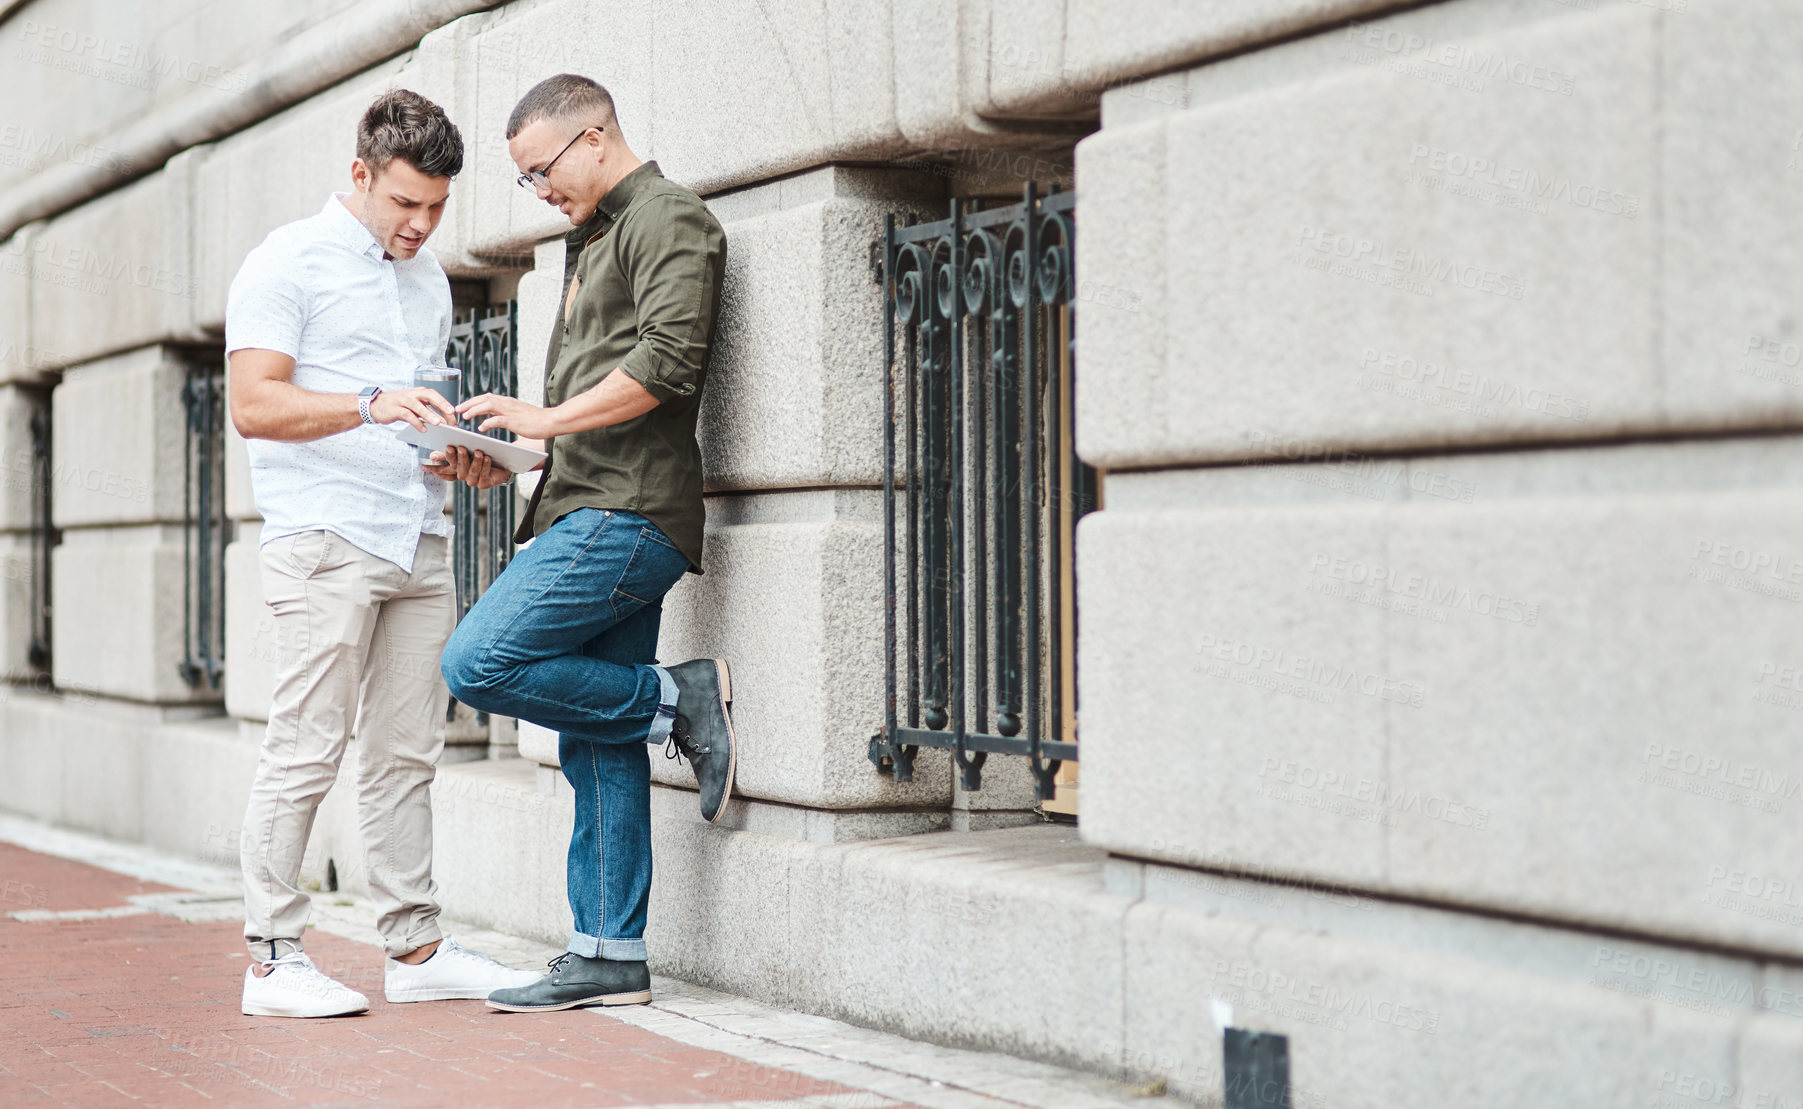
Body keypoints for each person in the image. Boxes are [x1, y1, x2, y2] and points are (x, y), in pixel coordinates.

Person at [226, 89, 540, 1018]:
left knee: (407, 753)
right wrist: (368, 402)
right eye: (405, 202)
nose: (421, 223)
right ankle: (274, 958)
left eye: (437, 205)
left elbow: (414, 413)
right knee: (305, 746)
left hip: (419, 532)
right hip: (325, 537)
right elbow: (255, 405)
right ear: (360, 175)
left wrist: (463, 457)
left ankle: (414, 946)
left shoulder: (428, 276)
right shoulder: (287, 261)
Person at [433, 73, 734, 1013]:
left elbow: (670, 361)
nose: (538, 190)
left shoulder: (671, 219)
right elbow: (587, 412)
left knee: (475, 660)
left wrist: (550, 418)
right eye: (526, 178)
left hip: (628, 515)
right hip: (583, 501)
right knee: (592, 742)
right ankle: (609, 950)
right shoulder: (594, 236)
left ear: (594, 137)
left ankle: (677, 694)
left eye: (540, 170)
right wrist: (511, 452)